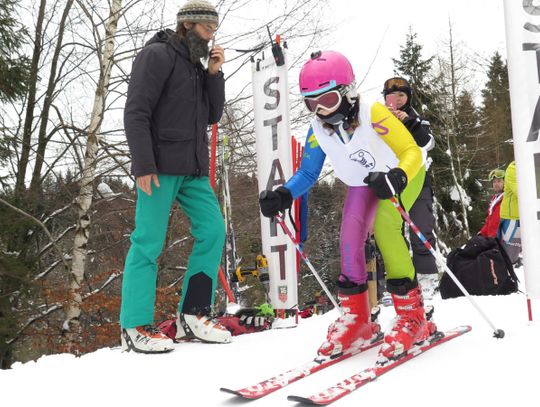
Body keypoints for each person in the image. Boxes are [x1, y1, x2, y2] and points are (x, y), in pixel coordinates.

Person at [259, 51, 437, 360]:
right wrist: (284, 195)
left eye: (327, 99)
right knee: (349, 238)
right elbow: (308, 172)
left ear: (347, 91)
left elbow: (411, 150)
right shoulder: (318, 129)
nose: (321, 110)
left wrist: (397, 176)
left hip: (403, 174)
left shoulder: (374, 113)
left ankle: (412, 316)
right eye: (311, 103)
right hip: (362, 181)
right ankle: (358, 322)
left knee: (384, 224)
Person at [120, 0, 231, 353]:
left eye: (214, 30)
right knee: (148, 242)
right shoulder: (156, 56)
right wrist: (143, 164)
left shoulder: (196, 66)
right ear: (188, 26)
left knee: (213, 230)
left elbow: (213, 115)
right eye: (208, 29)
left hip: (193, 169)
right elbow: (136, 111)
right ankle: (134, 326)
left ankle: (193, 316)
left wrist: (214, 74)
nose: (212, 36)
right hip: (159, 168)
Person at [382, 77, 439, 300]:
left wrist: (408, 123)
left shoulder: (416, 119)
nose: (396, 100)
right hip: (391, 180)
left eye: (401, 96)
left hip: (417, 180)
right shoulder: (379, 118)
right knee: (391, 231)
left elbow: (427, 143)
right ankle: (402, 279)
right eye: (391, 96)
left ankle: (426, 277)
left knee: (421, 226)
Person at [498, 161, 521, 264]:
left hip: (518, 216)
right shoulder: (513, 168)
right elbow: (521, 191)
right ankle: (506, 269)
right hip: (511, 217)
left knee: (515, 247)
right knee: (511, 248)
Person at [478, 168, 505, 238]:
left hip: (499, 239)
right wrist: (481, 233)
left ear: (505, 182)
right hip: (490, 237)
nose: (496, 184)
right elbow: (489, 221)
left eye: (499, 181)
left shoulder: (506, 198)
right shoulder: (495, 199)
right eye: (494, 182)